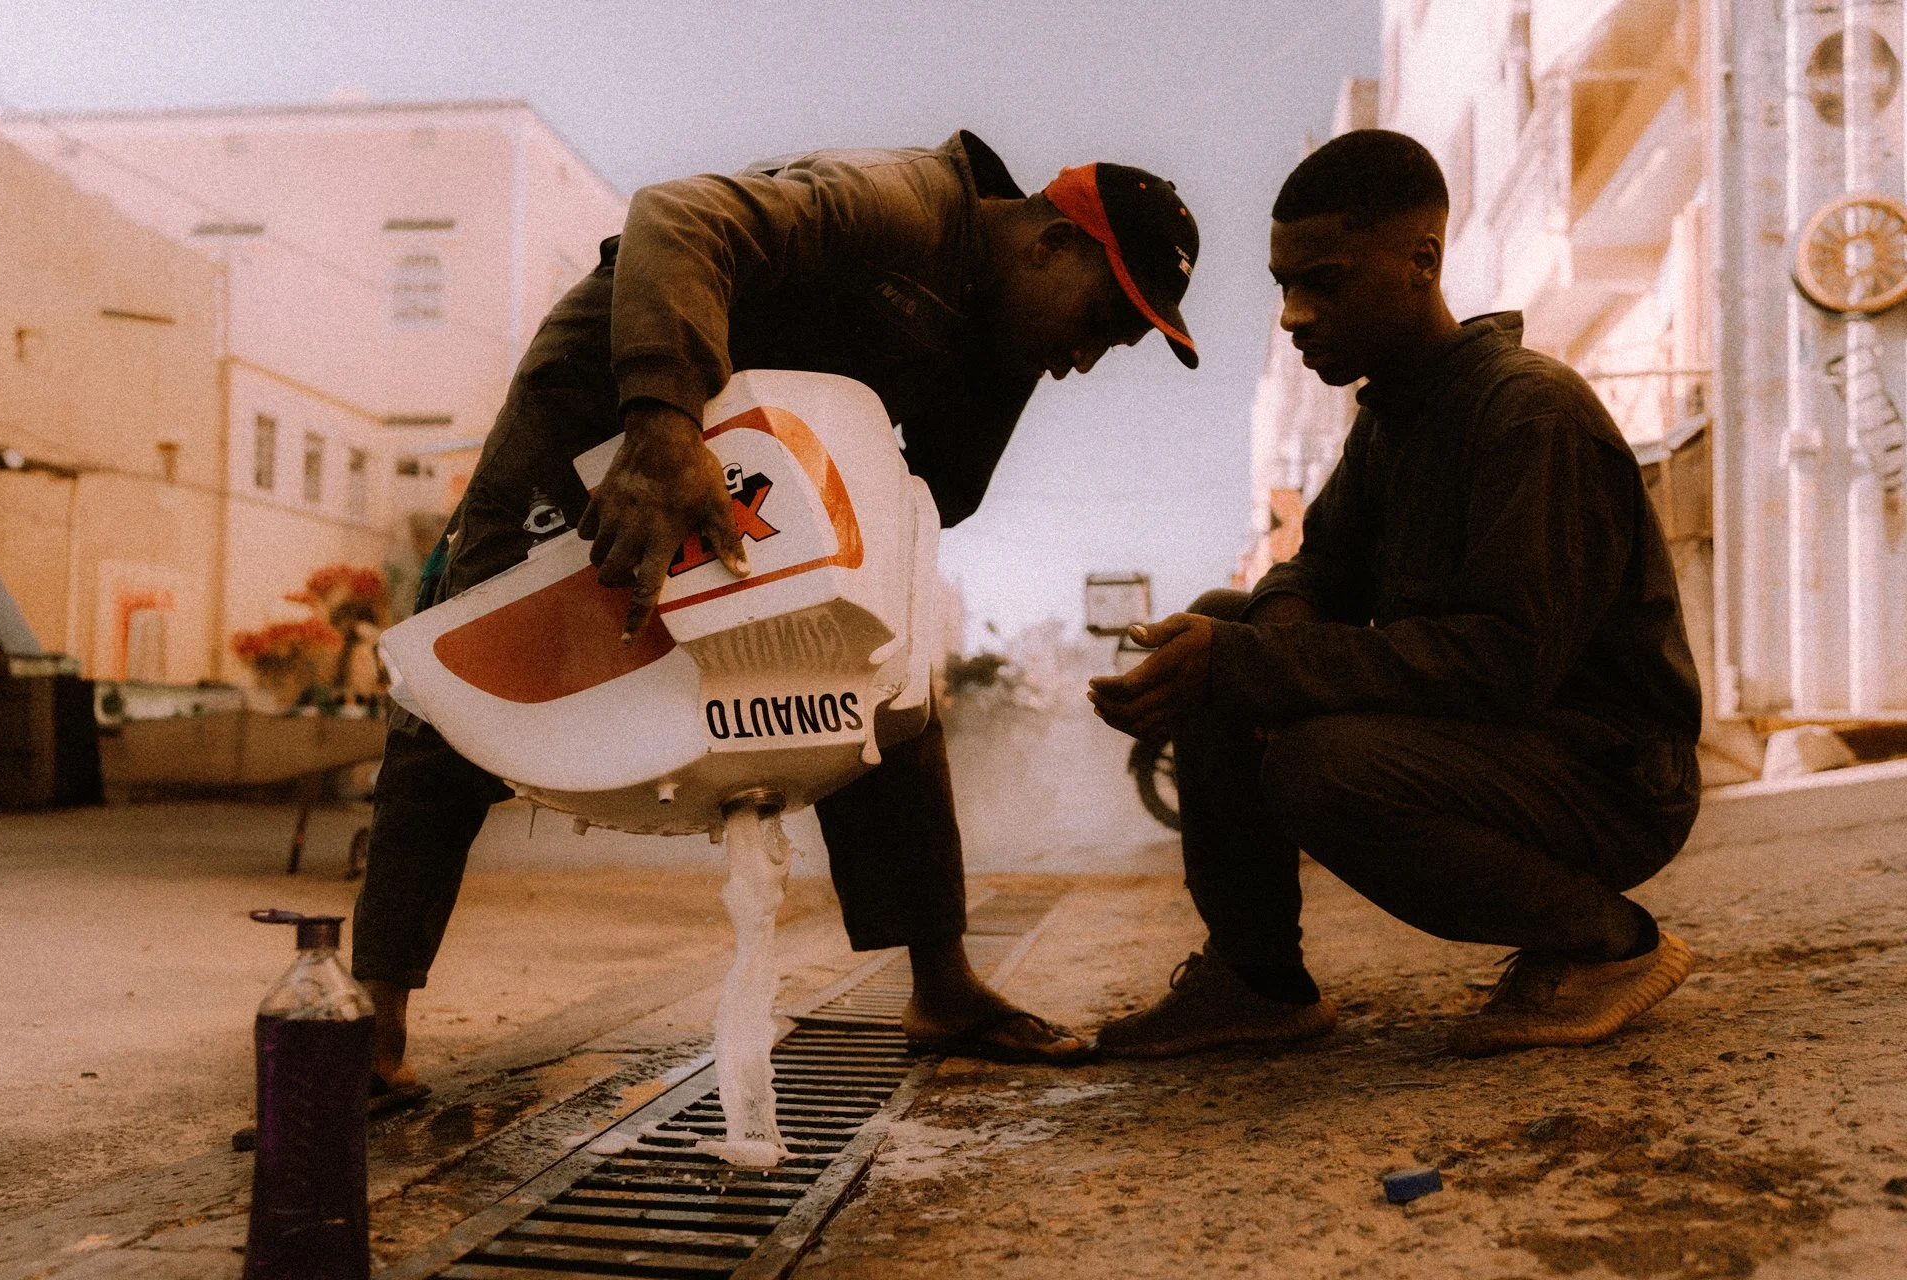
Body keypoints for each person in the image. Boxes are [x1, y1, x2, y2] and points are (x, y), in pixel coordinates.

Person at [354, 130, 1201, 1095]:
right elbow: (675, 214)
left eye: (1113, 346)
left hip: (761, 451)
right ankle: (371, 1032)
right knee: (467, 668)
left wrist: (832, 562)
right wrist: (666, 424)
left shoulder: (1006, 334)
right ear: (1051, 244)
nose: (1083, 360)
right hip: (615, 395)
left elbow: (934, 492)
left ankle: (944, 988)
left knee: (880, 665)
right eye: (1099, 319)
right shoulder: (903, 203)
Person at [1086, 129, 1702, 1060]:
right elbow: (1311, 571)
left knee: (1315, 762)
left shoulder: (1527, 413)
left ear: (1423, 261)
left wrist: (1261, 669)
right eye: (1284, 286)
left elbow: (1504, 662)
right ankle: (1257, 981)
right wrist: (1252, 655)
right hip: (1509, 748)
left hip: (1607, 776)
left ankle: (1605, 944)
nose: (1293, 315)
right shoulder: (1395, 420)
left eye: (1323, 282)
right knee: (1226, 618)